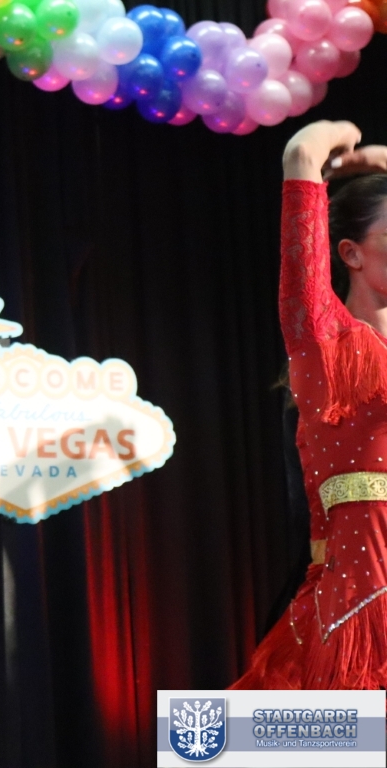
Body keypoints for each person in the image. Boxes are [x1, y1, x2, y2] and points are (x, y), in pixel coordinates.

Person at [233, 120, 387, 690]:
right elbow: (301, 151)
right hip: (358, 614)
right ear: (350, 253)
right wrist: (346, 138)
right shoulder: (324, 339)